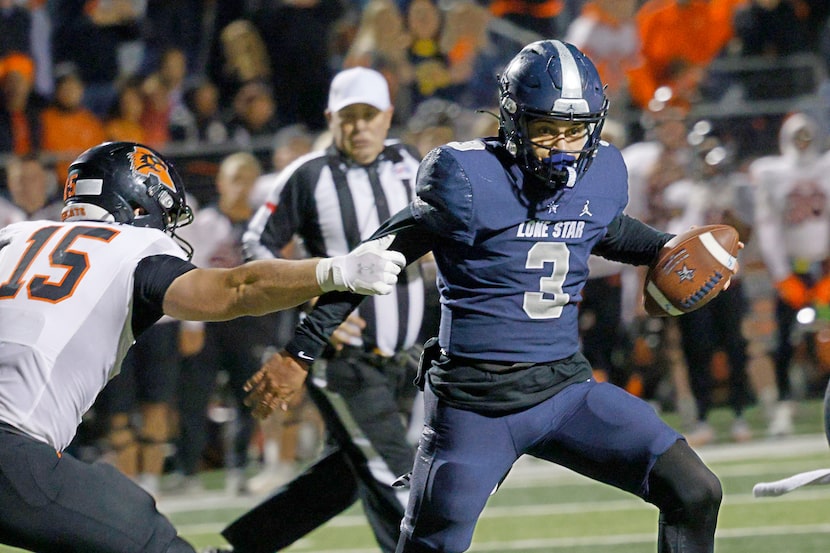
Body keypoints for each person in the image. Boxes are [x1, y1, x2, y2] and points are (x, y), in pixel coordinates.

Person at [244, 40, 726, 553]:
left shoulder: (602, 172)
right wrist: (300, 351)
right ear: (514, 122)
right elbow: (374, 260)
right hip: (475, 410)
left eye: (575, 130)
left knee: (695, 490)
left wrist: (665, 250)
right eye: (547, 130)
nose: (563, 146)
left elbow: (601, 227)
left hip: (566, 392)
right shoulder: (467, 179)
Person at [0, 140, 406, 553]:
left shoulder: (12, 237)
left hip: (17, 449)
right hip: (11, 449)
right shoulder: (129, 247)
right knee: (146, 532)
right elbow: (237, 288)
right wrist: (334, 270)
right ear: (139, 202)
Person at [216, 66, 426, 553]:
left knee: (347, 475)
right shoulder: (307, 175)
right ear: (330, 119)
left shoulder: (408, 161)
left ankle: (242, 548)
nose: (359, 128)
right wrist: (310, 293)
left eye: (369, 116)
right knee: (398, 476)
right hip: (344, 358)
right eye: (348, 117)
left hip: (405, 357)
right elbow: (257, 247)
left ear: (388, 116)